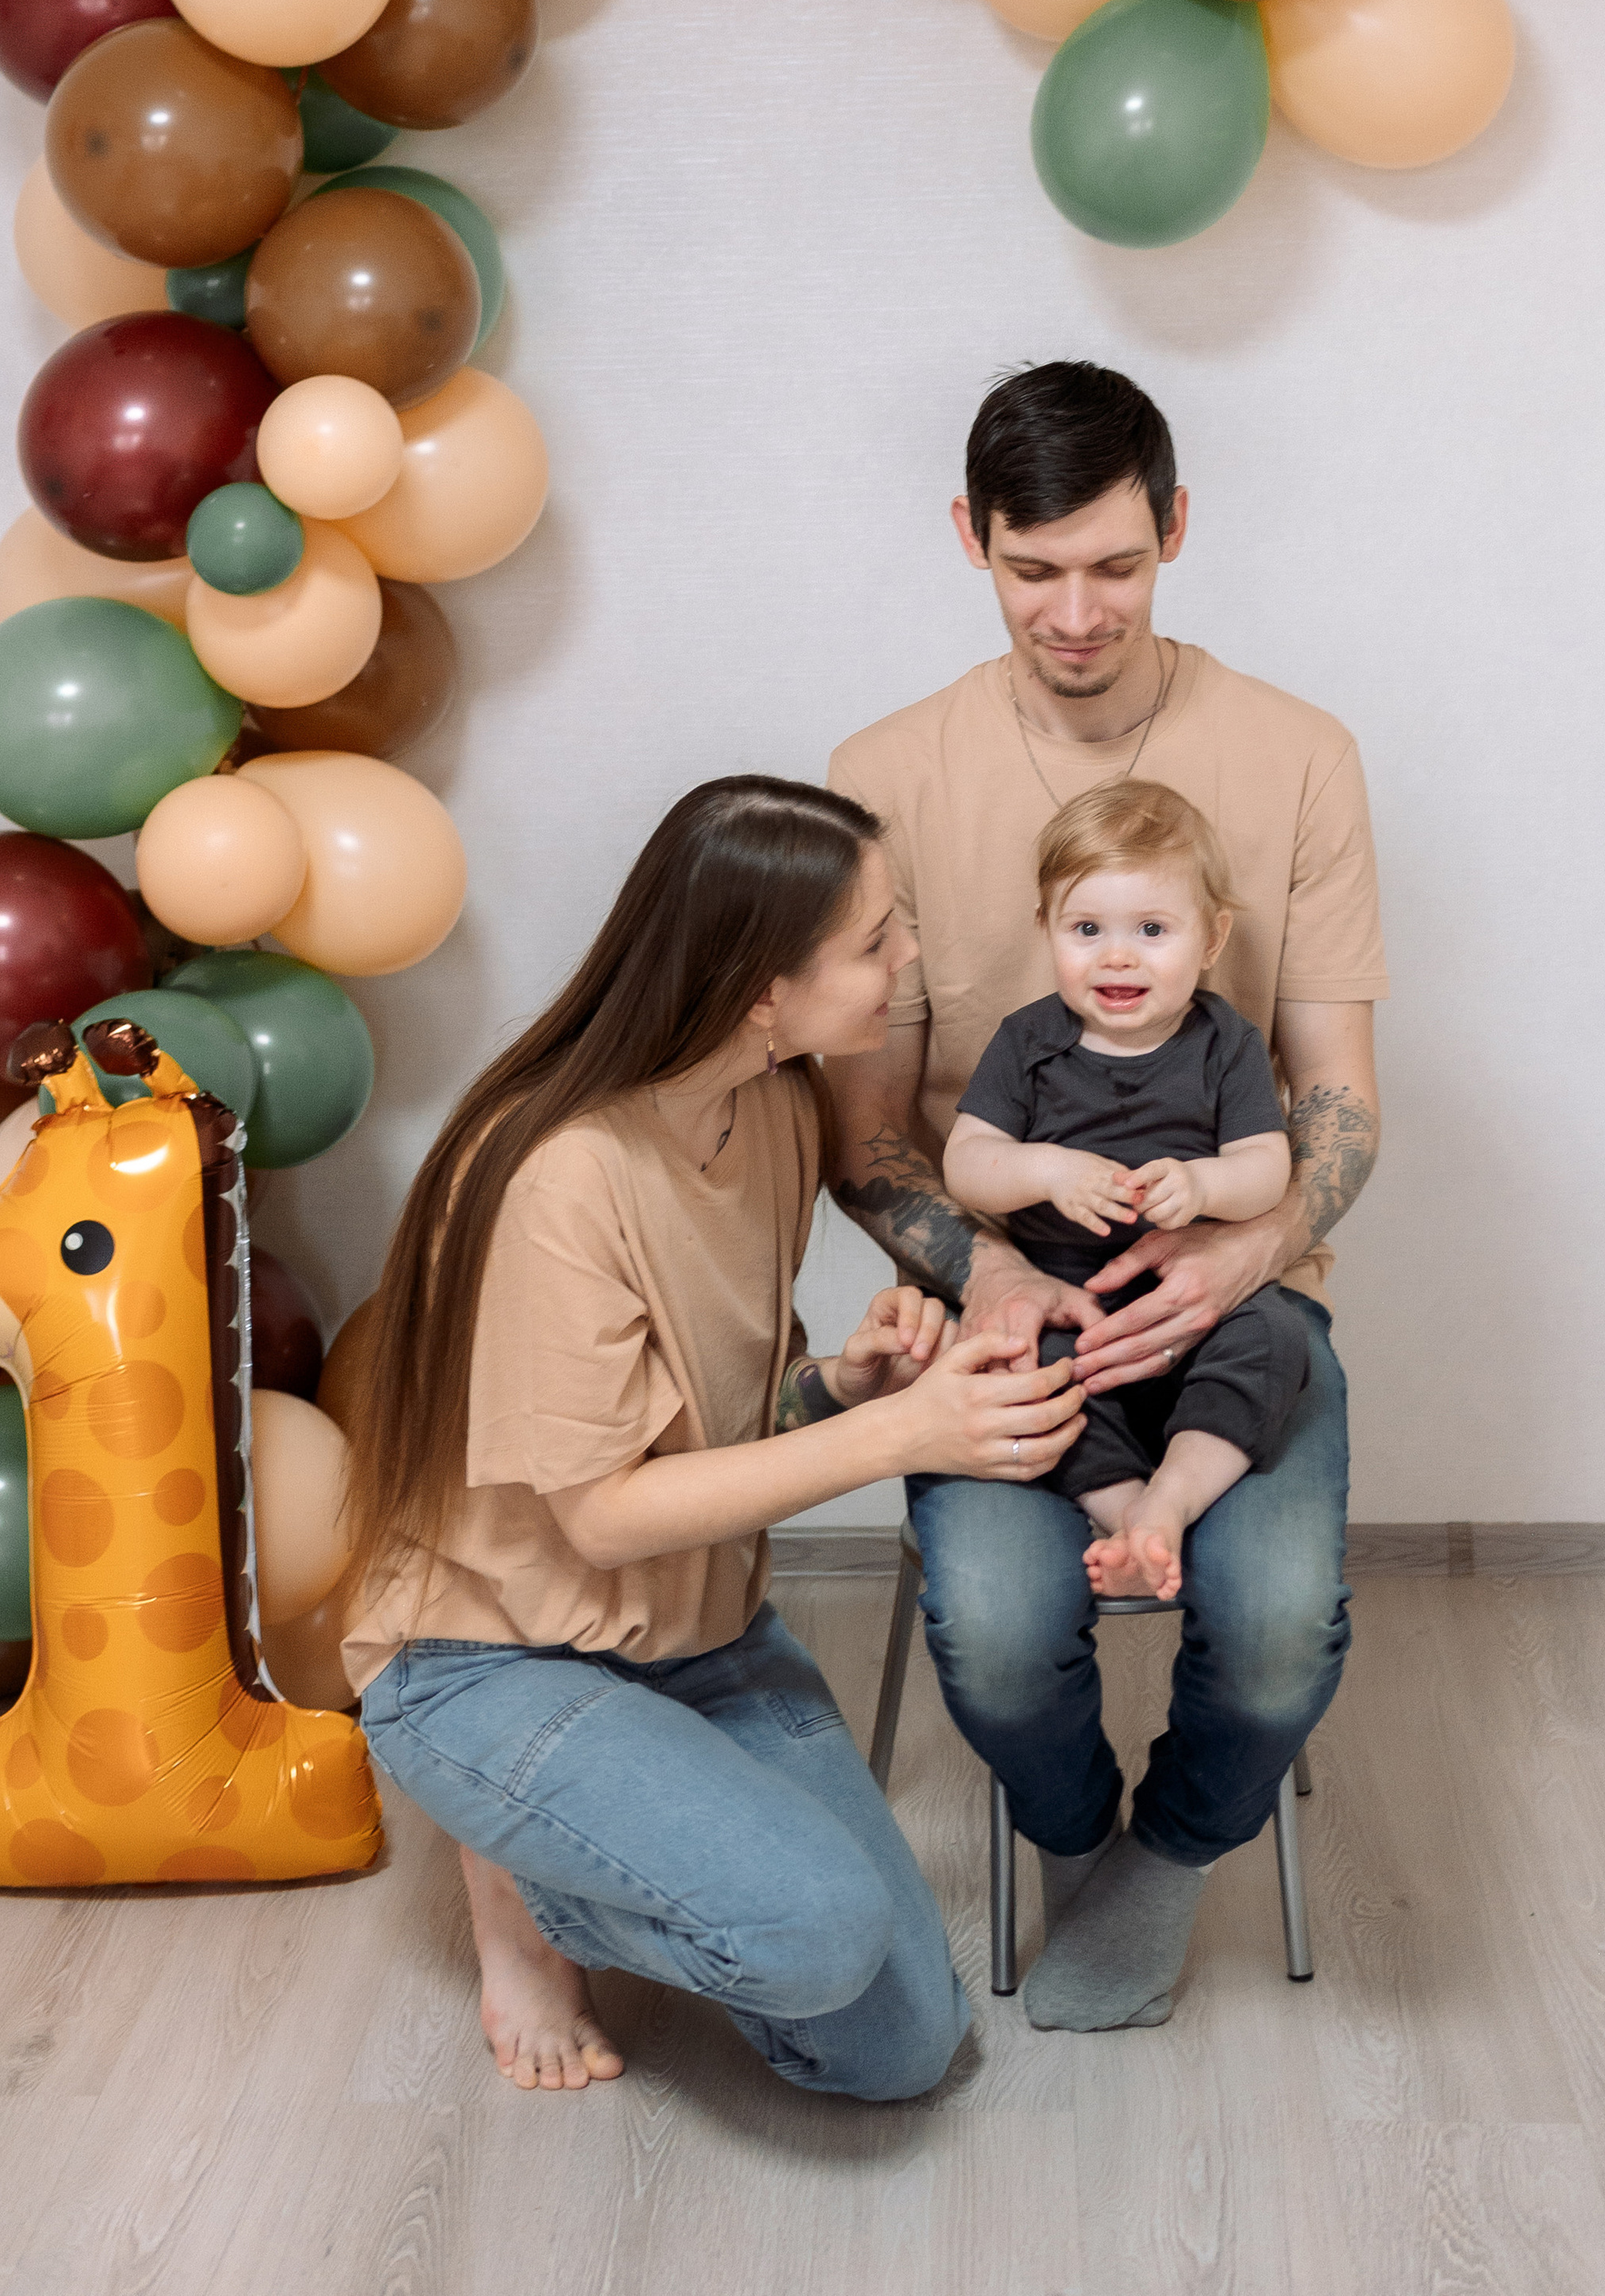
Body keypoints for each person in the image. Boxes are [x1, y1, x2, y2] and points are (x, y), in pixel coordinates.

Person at [342, 775, 1083, 2098]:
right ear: (760, 991)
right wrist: (915, 1432)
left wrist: (846, 1385)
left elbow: (703, 1413)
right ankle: (522, 1892)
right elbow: (603, 1512)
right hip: (490, 1661)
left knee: (905, 2048)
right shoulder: (557, 1175)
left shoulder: (776, 1110)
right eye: (874, 942)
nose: (907, 959)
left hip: (706, 1640)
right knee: (814, 1930)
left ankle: (597, 1847)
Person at [827, 362, 1385, 2034]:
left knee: (1277, 1632)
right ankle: (1076, 1836)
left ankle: (1174, 1849)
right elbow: (864, 1138)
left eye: (1116, 565)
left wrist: (1246, 1252)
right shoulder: (885, 768)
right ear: (967, 542)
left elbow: (1340, 1101)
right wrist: (990, 1272)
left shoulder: (1297, 757)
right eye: (1032, 567)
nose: (1075, 613)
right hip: (1010, 1302)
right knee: (999, 1639)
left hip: (1240, 1297)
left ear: (1176, 531)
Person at [943, 780, 1304, 1605]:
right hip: (1072, 1304)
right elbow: (967, 1162)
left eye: (1151, 929)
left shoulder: (1225, 1044)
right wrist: (1045, 1168)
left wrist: (1204, 1182)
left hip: (1198, 1303)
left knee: (1276, 1341)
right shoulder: (1026, 1041)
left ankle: (1171, 1501)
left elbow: (1267, 1168)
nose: (1117, 956)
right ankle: (1128, 1514)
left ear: (1211, 939)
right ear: (1046, 931)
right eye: (1086, 929)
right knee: (1021, 1372)